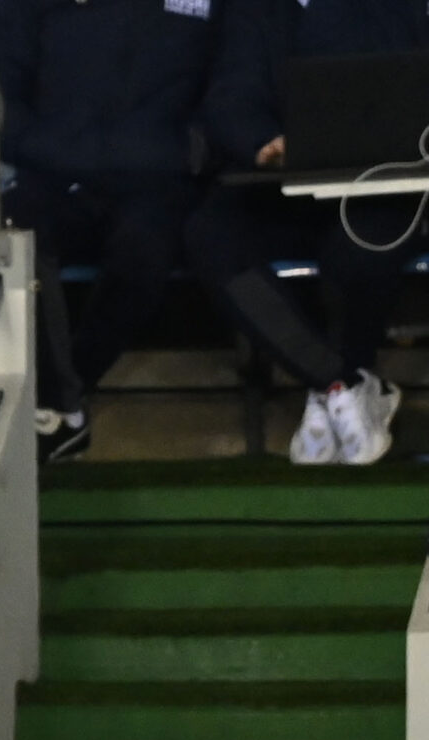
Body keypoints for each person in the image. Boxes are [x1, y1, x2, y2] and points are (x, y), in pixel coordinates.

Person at [185, 0, 427, 464]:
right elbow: (230, 96)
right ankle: (340, 384)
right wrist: (262, 142)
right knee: (211, 235)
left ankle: (334, 397)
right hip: (281, 185)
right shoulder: (255, 11)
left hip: (378, 187)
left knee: (359, 252)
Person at [0, 0, 222, 461]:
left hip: (158, 182)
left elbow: (233, 85)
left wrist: (189, 153)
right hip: (54, 175)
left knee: (143, 251)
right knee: (14, 231)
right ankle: (59, 407)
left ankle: (60, 403)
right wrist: (65, 153)